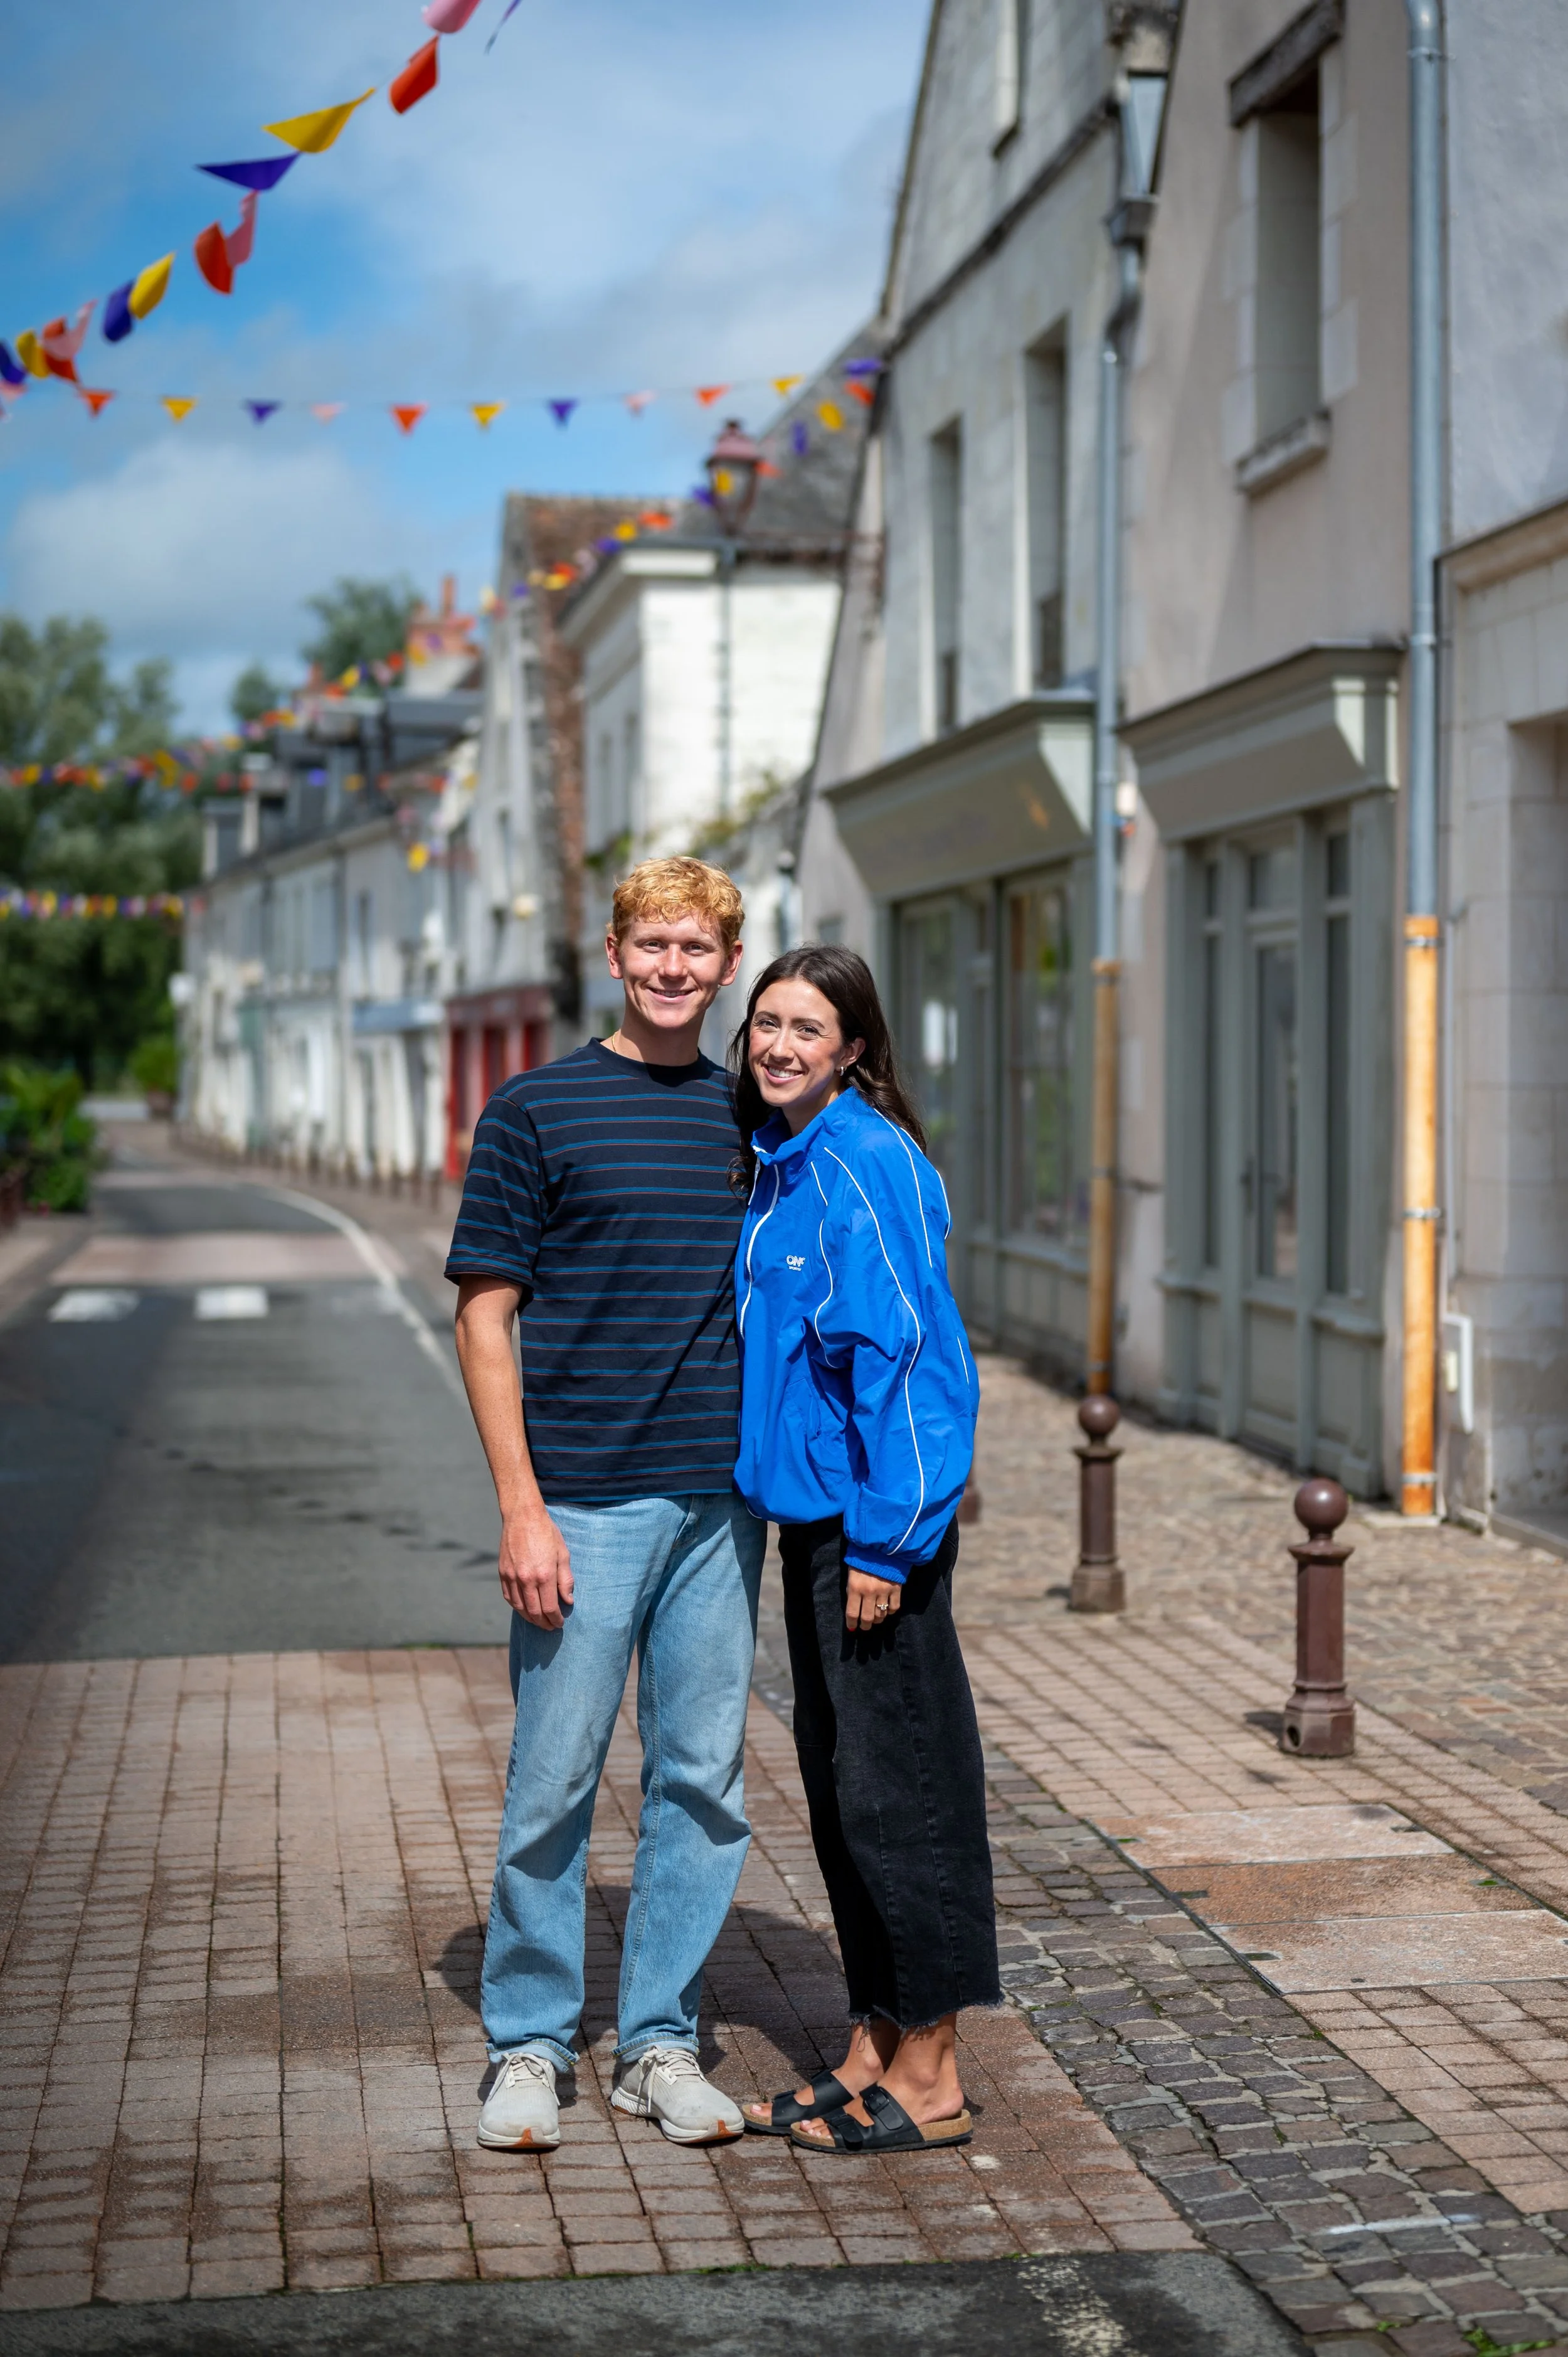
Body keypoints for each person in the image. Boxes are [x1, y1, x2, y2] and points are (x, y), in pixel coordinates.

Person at [447, 856, 765, 2152]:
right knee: (553, 1781)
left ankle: (657, 2045)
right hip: (580, 1502)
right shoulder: (534, 1111)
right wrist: (521, 1507)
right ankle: (526, 2044)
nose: (674, 969)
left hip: (719, 1508)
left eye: (698, 949)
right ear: (615, 952)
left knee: (701, 1781)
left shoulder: (756, 1116)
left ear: (728, 963)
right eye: (653, 946)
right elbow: (482, 1314)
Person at [729, 944, 999, 2156]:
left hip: (869, 1535)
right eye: (767, 1023)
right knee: (846, 1798)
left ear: (852, 1047)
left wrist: (890, 1544)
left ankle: (933, 2073)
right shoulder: (785, 1163)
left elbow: (917, 1368)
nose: (781, 1044)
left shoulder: (863, 1161)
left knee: (906, 1798)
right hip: (817, 1526)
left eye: (807, 1027)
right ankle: (871, 2043)